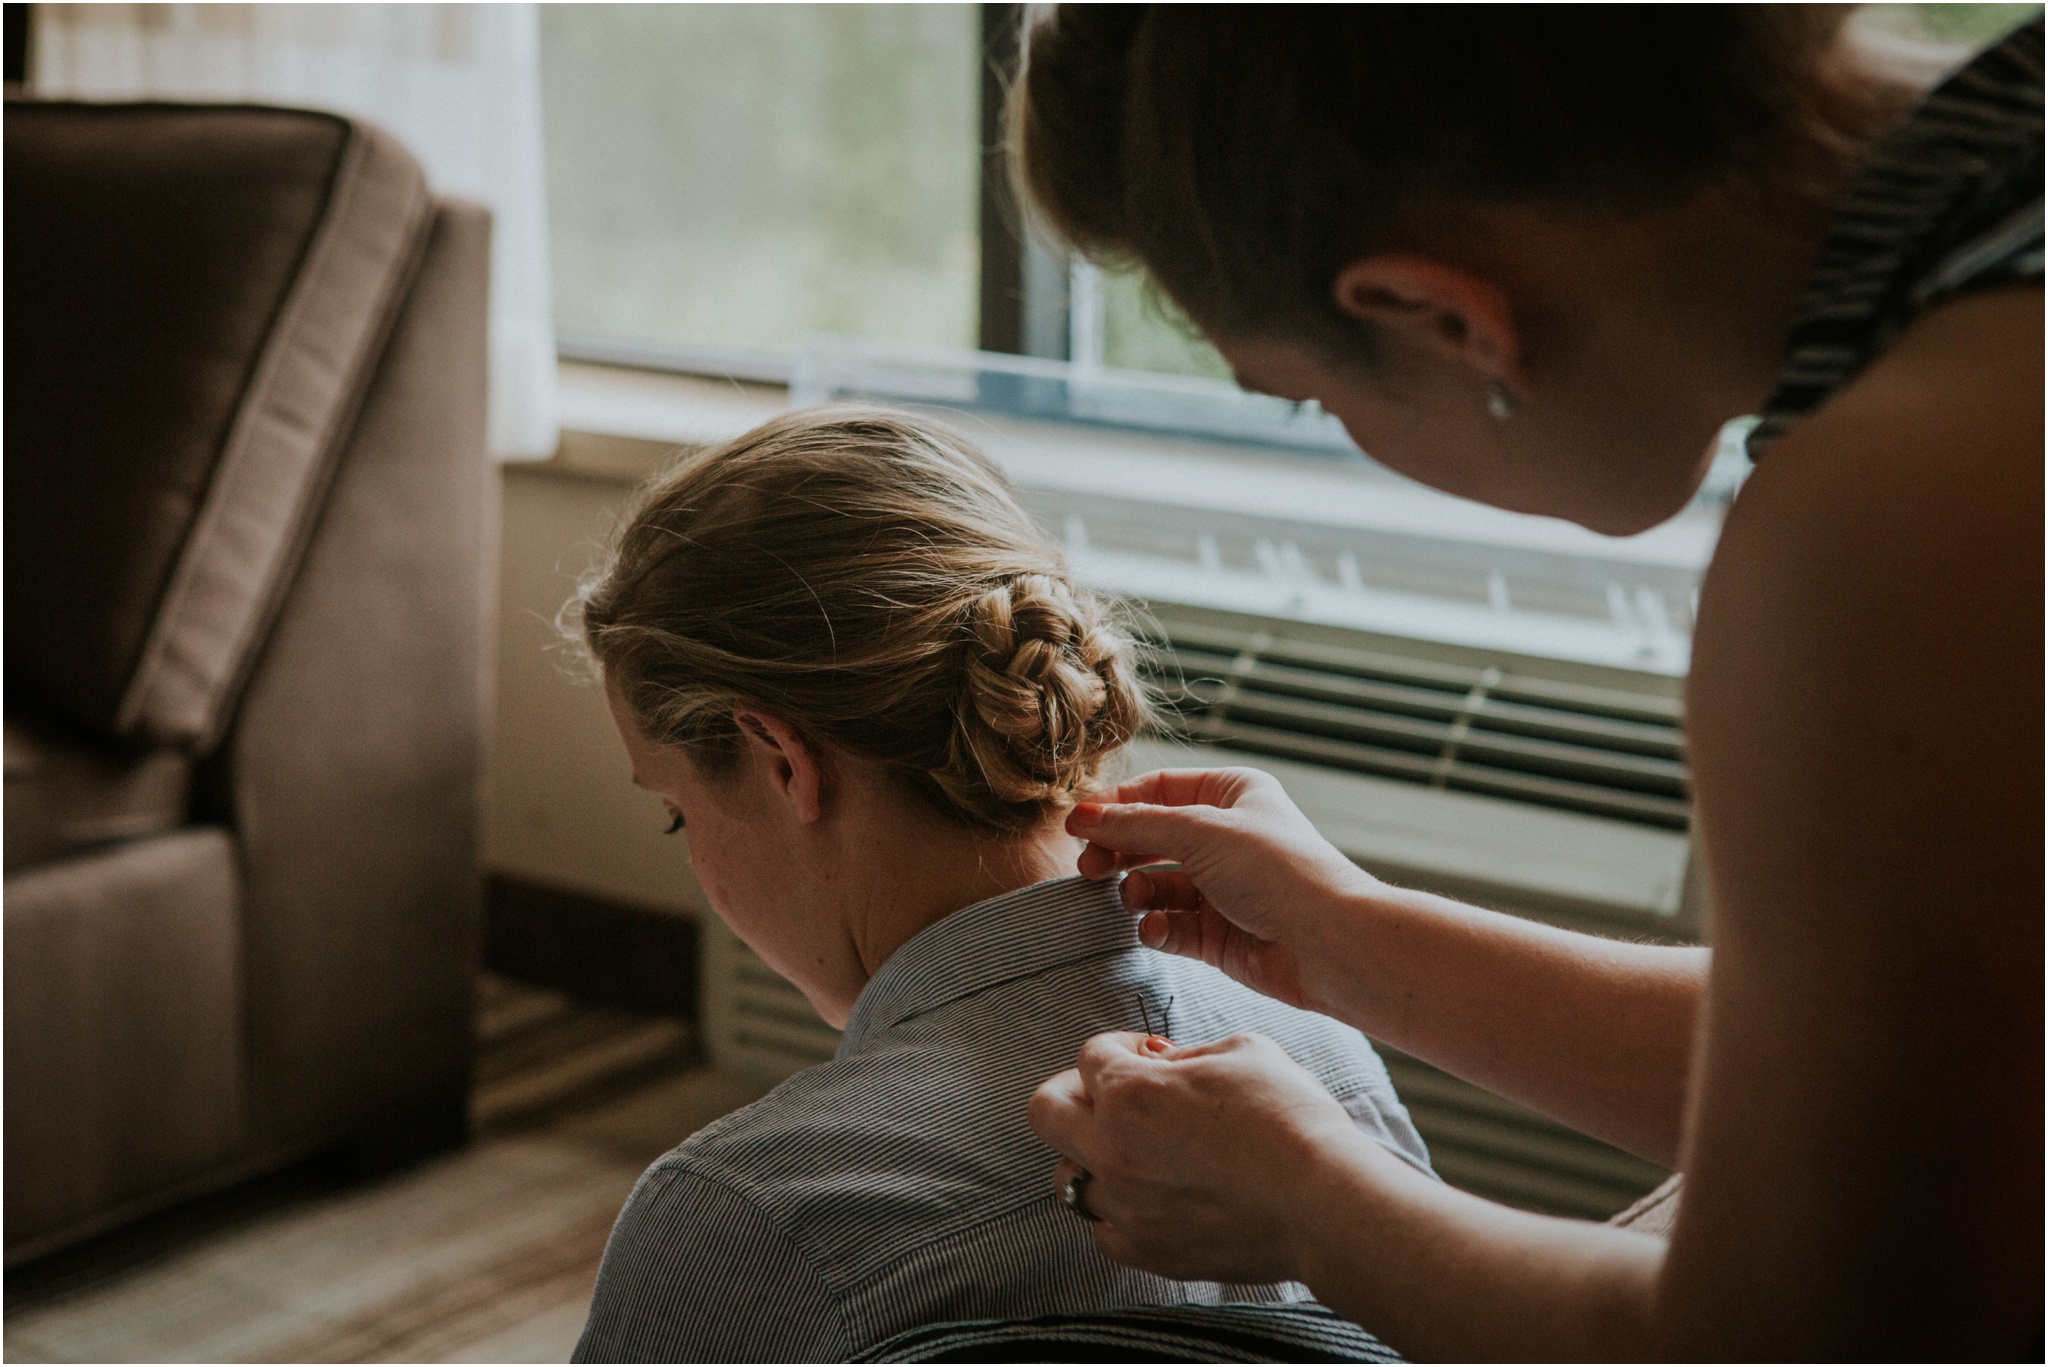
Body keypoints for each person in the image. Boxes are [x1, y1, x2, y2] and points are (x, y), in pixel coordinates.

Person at [1014, 7, 2042, 1361]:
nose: (1350, 440)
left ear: (1439, 314)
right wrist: (1348, 933)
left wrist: (1315, 1203)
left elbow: (1811, 1334)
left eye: (1310, 401)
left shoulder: (1895, 513)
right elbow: (1926, 1081)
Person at [567, 410, 1432, 1362]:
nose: (693, 855)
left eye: (677, 813)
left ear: (782, 761)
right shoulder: (1328, 1067)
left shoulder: (744, 1218)